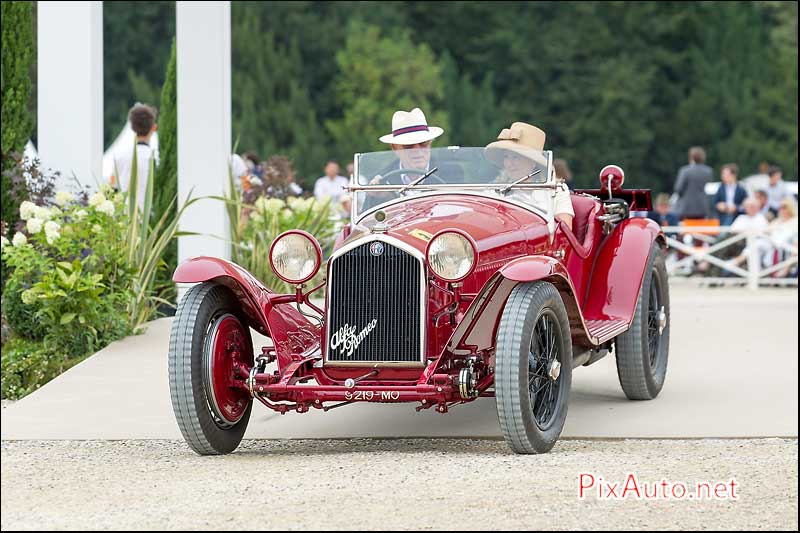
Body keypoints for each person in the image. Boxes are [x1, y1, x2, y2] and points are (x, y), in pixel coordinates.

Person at [485, 122, 574, 229]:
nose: (509, 163)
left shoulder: (556, 190)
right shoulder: (493, 189)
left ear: (533, 162)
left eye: (515, 157)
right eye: (506, 157)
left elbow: (564, 231)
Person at [111, 103, 157, 209]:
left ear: (132, 128)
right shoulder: (155, 158)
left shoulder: (119, 157)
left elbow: (113, 189)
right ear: (154, 128)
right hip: (149, 217)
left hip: (123, 216)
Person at [728, 197, 770, 269]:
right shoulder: (741, 218)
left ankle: (738, 261)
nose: (751, 208)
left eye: (753, 206)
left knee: (755, 246)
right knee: (723, 239)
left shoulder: (761, 219)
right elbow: (732, 232)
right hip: (738, 244)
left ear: (758, 208)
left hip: (754, 245)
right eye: (749, 206)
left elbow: (762, 235)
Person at [674, 146, 712, 220]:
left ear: (691, 157)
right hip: (702, 208)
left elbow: (678, 189)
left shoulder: (685, 171)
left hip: (686, 208)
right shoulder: (708, 171)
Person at [764, 198, 798, 277]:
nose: (781, 209)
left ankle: (786, 269)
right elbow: (766, 232)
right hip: (774, 246)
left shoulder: (796, 221)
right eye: (780, 207)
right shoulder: (777, 221)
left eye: (784, 207)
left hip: (790, 246)